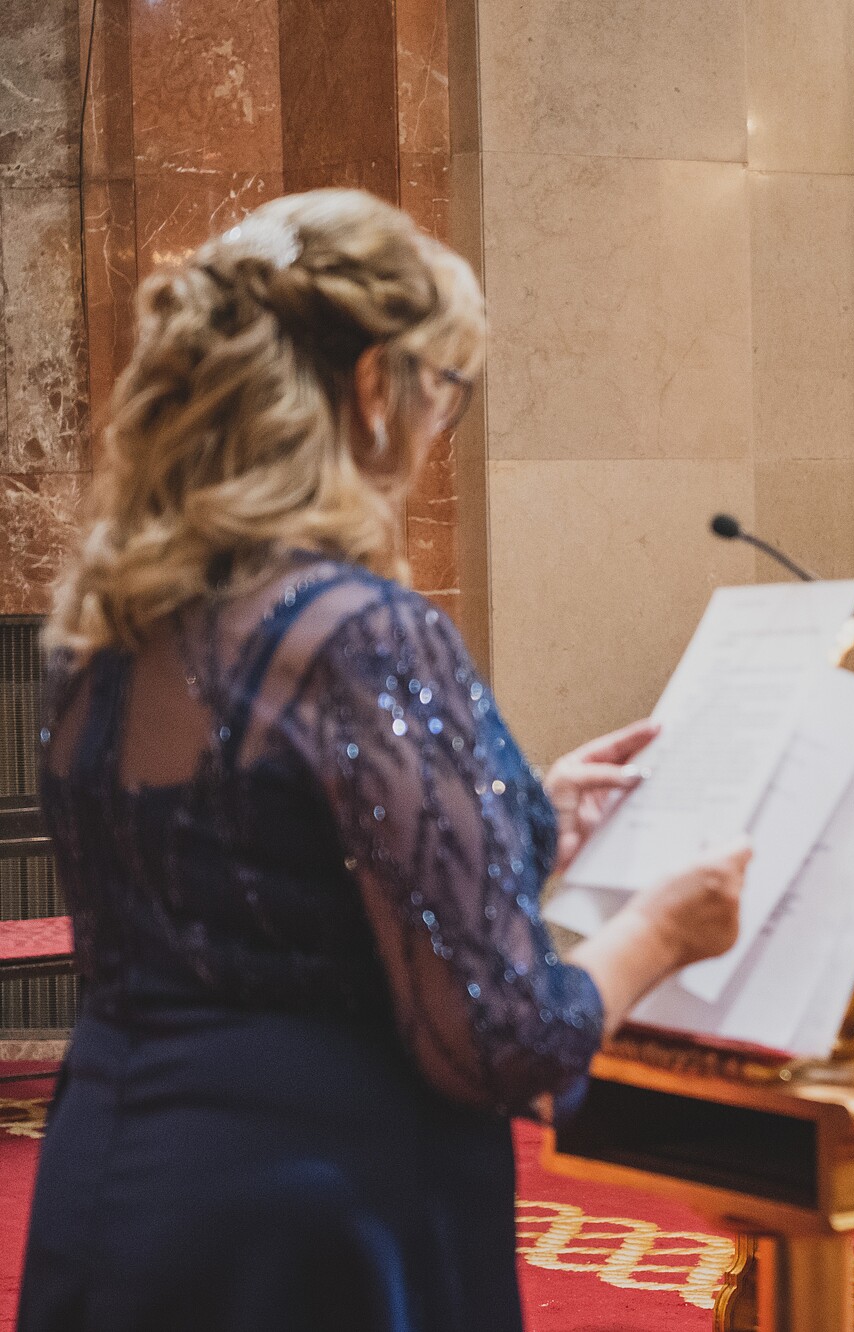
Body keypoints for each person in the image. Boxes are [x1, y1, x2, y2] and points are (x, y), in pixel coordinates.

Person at [17, 189, 750, 1332]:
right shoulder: (356, 631)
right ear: (371, 391)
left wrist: (526, 817)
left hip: (115, 1177)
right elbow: (500, 1035)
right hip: (319, 1213)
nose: (435, 431)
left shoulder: (99, 632)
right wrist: (660, 932)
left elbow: (249, 885)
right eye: (443, 391)